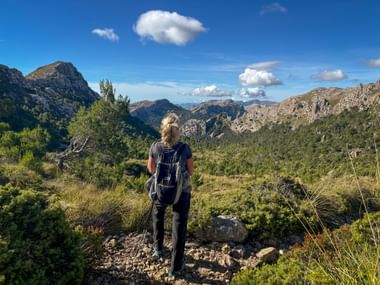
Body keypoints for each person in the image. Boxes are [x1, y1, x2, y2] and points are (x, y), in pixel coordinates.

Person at [147, 113, 194, 277]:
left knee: (158, 216)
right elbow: (191, 171)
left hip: (161, 190)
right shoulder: (184, 148)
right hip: (181, 192)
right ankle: (175, 266)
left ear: (163, 129)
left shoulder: (155, 147)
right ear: (177, 130)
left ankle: (158, 248)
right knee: (179, 226)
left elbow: (151, 170)